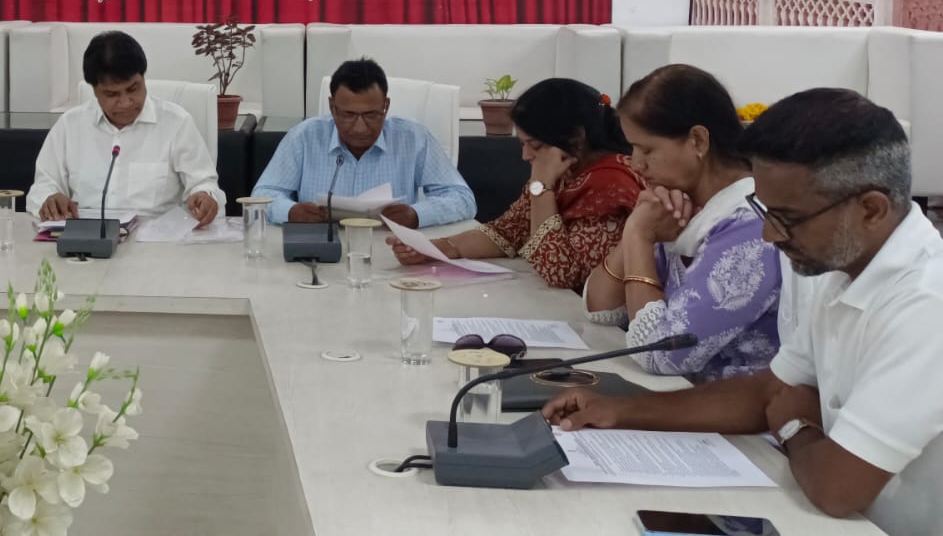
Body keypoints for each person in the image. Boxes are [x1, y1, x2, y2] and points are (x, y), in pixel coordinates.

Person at [544, 89, 941, 536]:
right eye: (764, 211)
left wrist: (793, 425)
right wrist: (621, 412)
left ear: (870, 209)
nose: (769, 235)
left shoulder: (927, 305)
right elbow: (768, 391)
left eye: (788, 218)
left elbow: (838, 488)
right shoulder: (839, 267)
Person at [581, 64, 779, 381]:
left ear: (698, 141)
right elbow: (600, 308)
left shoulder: (751, 226)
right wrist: (635, 231)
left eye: (647, 149)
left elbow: (660, 354)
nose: (636, 164)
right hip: (680, 398)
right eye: (632, 148)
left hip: (735, 409)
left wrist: (639, 237)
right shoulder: (679, 205)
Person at [387, 78, 641, 291]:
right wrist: (435, 249)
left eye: (535, 145)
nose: (525, 156)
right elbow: (506, 232)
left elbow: (560, 272)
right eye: (523, 144)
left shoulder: (611, 184)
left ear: (576, 138)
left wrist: (542, 187)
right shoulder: (566, 170)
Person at [29, 31, 224, 226]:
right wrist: (50, 199)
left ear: (143, 78)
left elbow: (204, 184)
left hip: (158, 239)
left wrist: (205, 197)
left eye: (133, 89)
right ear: (94, 90)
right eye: (112, 94)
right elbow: (43, 187)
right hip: (86, 237)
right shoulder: (70, 125)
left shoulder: (177, 123)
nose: (125, 103)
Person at [252, 59, 475, 228]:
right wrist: (291, 212)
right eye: (348, 115)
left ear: (386, 106)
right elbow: (261, 195)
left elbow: (463, 199)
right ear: (332, 107)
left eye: (371, 115)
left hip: (392, 250)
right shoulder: (304, 137)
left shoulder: (413, 138)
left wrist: (417, 214)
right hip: (319, 251)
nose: (360, 127)